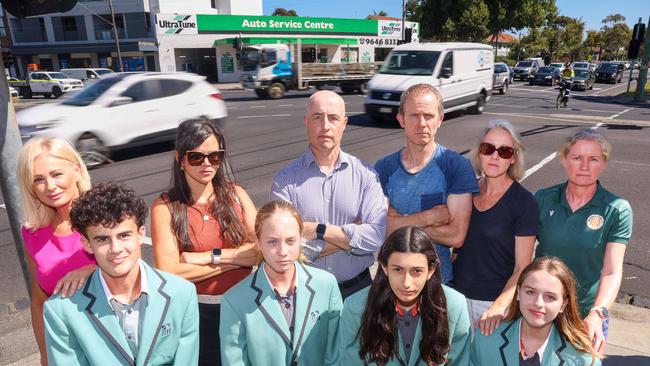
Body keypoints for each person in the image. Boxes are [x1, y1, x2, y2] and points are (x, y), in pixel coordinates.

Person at [43, 183, 199, 365]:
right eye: (103, 239)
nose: (116, 249)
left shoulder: (182, 293)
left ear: (141, 234)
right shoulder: (61, 311)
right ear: (87, 244)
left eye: (124, 235)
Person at [150, 118, 258, 366]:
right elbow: (169, 271)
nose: (207, 164)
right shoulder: (165, 207)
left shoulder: (237, 195)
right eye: (196, 157)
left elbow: (260, 251)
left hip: (246, 307)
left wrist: (209, 257)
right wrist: (236, 258)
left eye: (215, 156)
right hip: (199, 315)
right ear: (180, 158)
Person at [271, 90, 387, 299]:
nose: (325, 126)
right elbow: (283, 248)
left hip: (358, 292)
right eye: (317, 117)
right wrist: (350, 236)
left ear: (344, 124)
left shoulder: (366, 175)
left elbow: (376, 237)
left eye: (333, 118)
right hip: (306, 294)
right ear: (306, 122)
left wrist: (317, 230)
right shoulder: (285, 180)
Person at [534, 129, 633, 354]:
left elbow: (611, 271)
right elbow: (522, 256)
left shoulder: (617, 209)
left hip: (586, 313)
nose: (584, 166)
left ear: (604, 163)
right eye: (577, 158)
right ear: (564, 160)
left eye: (593, 159)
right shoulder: (543, 198)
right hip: (541, 308)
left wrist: (598, 314)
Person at [374, 83, 478, 284]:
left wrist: (399, 224)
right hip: (391, 283)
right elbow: (378, 229)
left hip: (438, 283)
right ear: (401, 119)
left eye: (428, 116)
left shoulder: (456, 166)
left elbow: (456, 236)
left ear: (440, 119)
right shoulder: (384, 168)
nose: (422, 123)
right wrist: (431, 216)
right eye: (414, 115)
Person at [220, 200, 343, 365]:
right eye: (272, 242)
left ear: (301, 238)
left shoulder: (326, 285)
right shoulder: (235, 300)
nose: (282, 252)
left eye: (290, 241)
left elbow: (336, 353)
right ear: (258, 242)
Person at [452, 120, 539, 337]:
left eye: (504, 151)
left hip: (491, 306)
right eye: (488, 148)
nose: (494, 156)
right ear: (479, 152)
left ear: (513, 158)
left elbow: (522, 267)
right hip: (455, 299)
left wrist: (499, 307)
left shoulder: (524, 202)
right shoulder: (466, 191)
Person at [339, 226, 470, 366]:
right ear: (385, 268)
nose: (406, 283)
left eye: (417, 271)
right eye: (398, 269)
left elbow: (459, 361)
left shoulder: (455, 305)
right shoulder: (355, 307)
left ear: (431, 271)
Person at [17, 137, 97, 365]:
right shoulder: (32, 233)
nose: (50, 186)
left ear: (77, 171)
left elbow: (137, 272)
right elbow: (39, 300)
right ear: (31, 188)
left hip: (114, 340)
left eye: (56, 174)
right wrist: (45, 356)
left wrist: (93, 269)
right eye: (39, 179)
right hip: (67, 349)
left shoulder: (104, 215)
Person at [470, 257, 601, 366]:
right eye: (531, 292)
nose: (538, 303)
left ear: (563, 304)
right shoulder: (486, 340)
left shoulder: (583, 359)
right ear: (518, 293)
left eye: (550, 297)